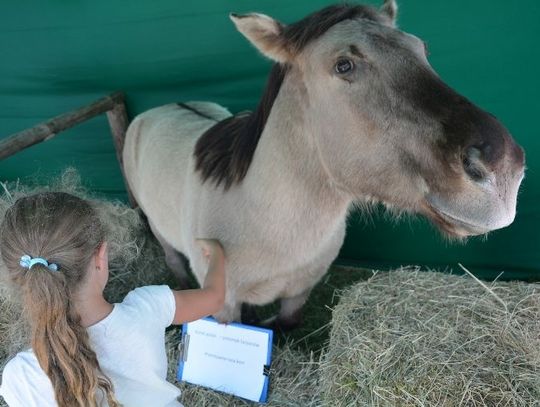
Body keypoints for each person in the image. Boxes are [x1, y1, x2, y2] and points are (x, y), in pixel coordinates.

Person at [0, 191, 226, 407]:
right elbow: (215, 298)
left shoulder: (19, 376)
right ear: (100, 256)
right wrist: (217, 255)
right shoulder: (148, 308)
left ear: (16, 277)